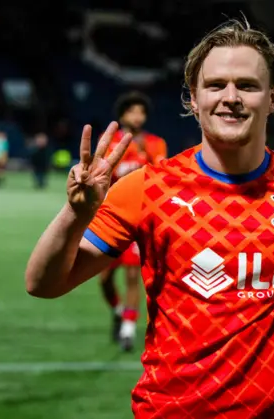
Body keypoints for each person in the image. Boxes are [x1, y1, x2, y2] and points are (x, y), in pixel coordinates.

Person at [25, 19, 274, 418]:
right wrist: (74, 214)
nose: (230, 97)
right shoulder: (145, 188)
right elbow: (43, 284)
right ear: (192, 99)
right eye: (216, 85)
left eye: (247, 85)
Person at [99, 91, 167, 351]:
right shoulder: (111, 143)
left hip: (138, 220)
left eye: (141, 112)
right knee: (104, 279)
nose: (137, 116)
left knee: (131, 276)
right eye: (132, 111)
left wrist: (144, 155)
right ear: (122, 115)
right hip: (110, 218)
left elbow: (160, 177)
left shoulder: (154, 143)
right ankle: (117, 311)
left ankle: (128, 329)